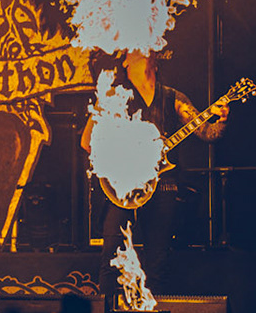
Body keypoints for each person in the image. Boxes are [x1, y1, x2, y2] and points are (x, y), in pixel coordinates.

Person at [82, 50, 227, 296]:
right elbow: (87, 142)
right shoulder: (113, 96)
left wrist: (221, 119)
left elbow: (209, 134)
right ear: (125, 62)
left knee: (158, 262)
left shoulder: (173, 98)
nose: (142, 48)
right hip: (122, 186)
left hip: (163, 186)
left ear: (157, 63)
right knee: (110, 258)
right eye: (135, 47)